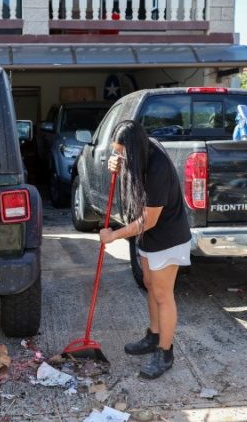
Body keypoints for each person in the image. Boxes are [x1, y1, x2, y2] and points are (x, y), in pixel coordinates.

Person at [98, 120, 192, 379]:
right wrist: (115, 164)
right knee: (150, 285)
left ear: (135, 148)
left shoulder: (158, 166)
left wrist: (114, 235)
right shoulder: (139, 153)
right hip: (148, 238)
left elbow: (148, 220)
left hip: (167, 238)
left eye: (121, 152)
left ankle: (165, 352)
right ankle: (153, 336)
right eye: (116, 152)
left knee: (163, 294)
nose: (119, 156)